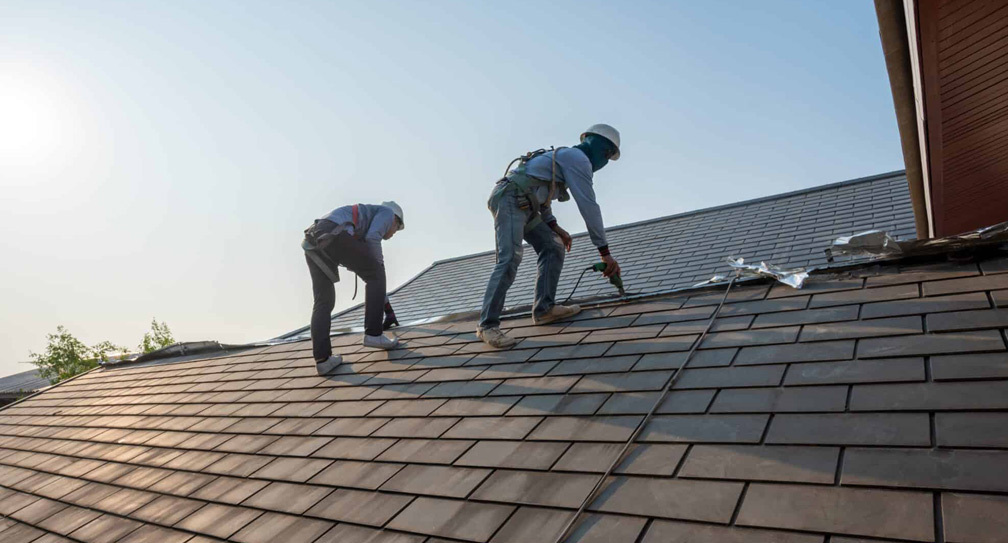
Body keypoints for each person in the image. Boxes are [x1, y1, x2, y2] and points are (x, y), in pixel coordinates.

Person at [477, 124, 623, 349]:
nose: (604, 162)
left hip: (525, 203)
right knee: (510, 258)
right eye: (607, 155)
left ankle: (544, 310)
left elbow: (540, 196)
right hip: (510, 199)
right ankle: (487, 325)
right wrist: (604, 252)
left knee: (553, 246)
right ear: (602, 150)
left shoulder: (565, 158)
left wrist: (555, 227)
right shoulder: (578, 158)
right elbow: (589, 205)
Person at [302, 201, 404, 374]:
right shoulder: (387, 213)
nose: (393, 233)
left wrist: (387, 309)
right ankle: (373, 333)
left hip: (313, 240)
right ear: (395, 219)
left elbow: (372, 281)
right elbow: (373, 240)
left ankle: (323, 360)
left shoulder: (362, 223)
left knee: (323, 301)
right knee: (376, 272)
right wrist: (378, 268)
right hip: (333, 233)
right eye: (396, 228)